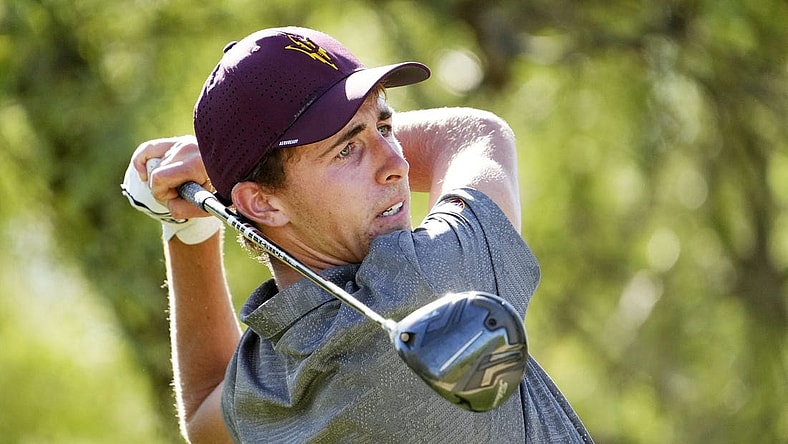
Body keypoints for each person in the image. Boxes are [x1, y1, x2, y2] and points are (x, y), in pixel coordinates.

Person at [122, 26, 592, 443]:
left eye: (384, 126)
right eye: (348, 149)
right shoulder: (433, 282)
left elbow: (205, 409)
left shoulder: (270, 386)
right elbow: (474, 134)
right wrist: (215, 168)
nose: (398, 163)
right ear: (261, 203)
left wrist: (189, 226)